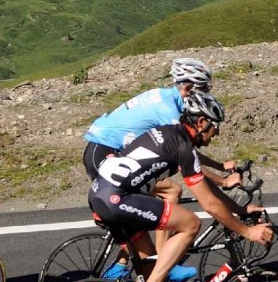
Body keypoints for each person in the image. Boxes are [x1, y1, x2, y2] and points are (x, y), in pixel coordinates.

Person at [89, 92, 275, 282]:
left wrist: (240, 209)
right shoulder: (183, 147)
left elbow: (205, 185)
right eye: (216, 126)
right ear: (202, 122)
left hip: (99, 195)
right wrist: (247, 231)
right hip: (117, 199)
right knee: (191, 223)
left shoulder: (169, 132)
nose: (217, 133)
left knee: (152, 268)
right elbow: (209, 204)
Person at [83, 58, 240, 280]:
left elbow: (184, 152)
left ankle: (134, 261)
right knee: (170, 192)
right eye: (203, 88)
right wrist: (223, 180)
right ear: (188, 87)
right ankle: (162, 260)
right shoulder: (169, 111)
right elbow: (185, 154)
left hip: (102, 149)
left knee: (141, 208)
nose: (206, 94)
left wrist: (220, 166)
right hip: (105, 152)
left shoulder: (166, 96)